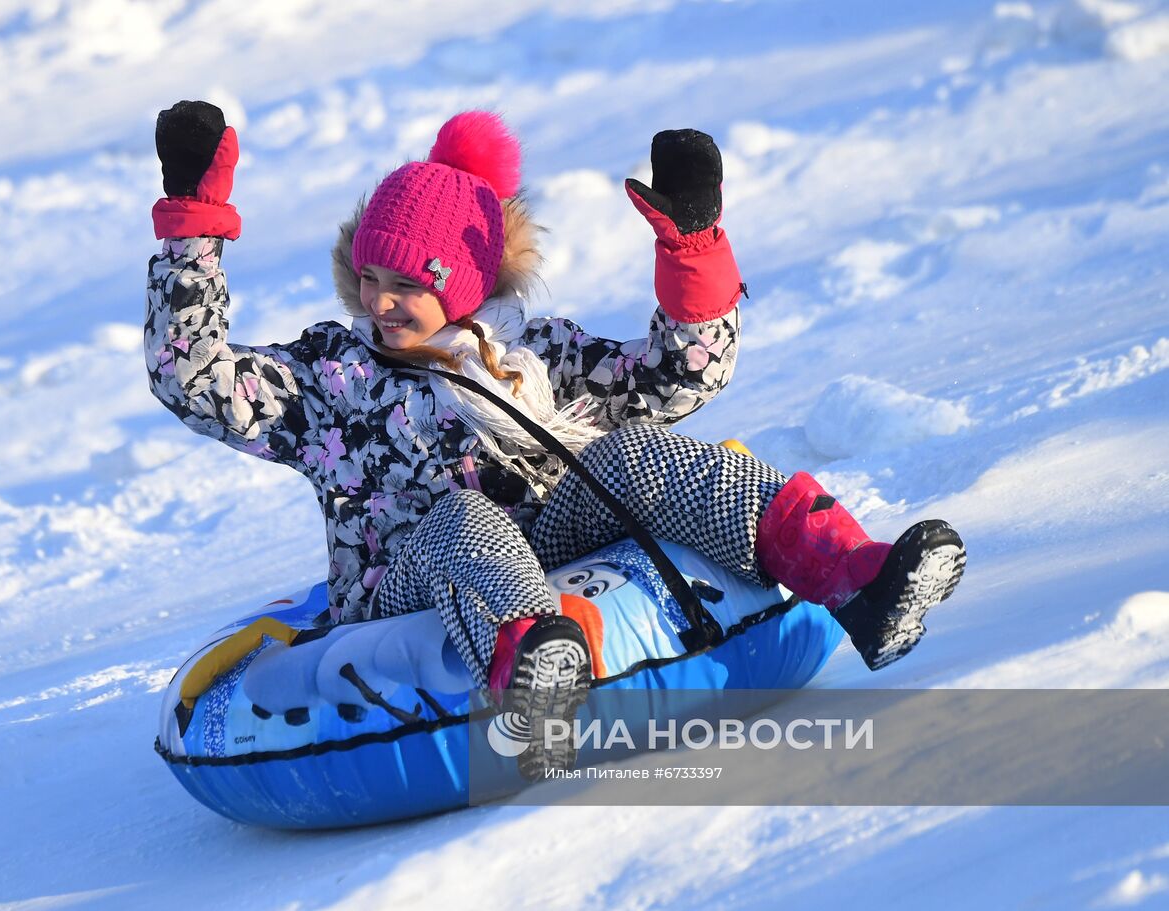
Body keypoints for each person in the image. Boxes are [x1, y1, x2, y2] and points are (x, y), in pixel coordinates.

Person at [144, 102, 966, 776]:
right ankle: (535, 681)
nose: (379, 302)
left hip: (549, 539)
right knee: (464, 518)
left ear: (464, 286)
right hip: (409, 578)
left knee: (633, 449)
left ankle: (855, 578)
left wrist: (693, 247)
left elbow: (679, 379)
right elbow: (196, 379)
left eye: (405, 285)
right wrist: (193, 227)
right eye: (369, 279)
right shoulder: (335, 376)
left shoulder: (533, 356)